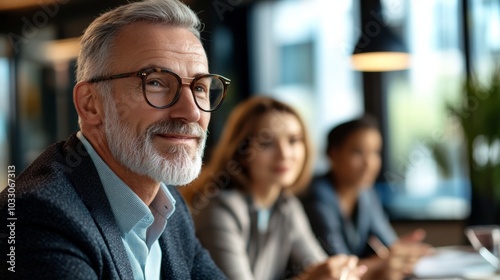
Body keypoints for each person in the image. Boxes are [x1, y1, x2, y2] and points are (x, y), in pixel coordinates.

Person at [0, 0, 231, 279]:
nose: (191, 111)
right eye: (156, 82)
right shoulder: (36, 217)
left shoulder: (169, 207)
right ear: (90, 104)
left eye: (200, 87)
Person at [182, 96, 367, 280]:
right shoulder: (220, 209)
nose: (284, 154)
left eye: (293, 140)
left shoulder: (286, 205)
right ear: (242, 152)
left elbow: (318, 267)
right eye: (267, 143)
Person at [299, 115, 433, 280]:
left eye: (375, 152)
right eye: (358, 152)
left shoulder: (366, 193)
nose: (369, 163)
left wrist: (399, 252)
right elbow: (338, 265)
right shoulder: (317, 195)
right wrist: (386, 259)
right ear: (333, 154)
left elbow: (388, 244)